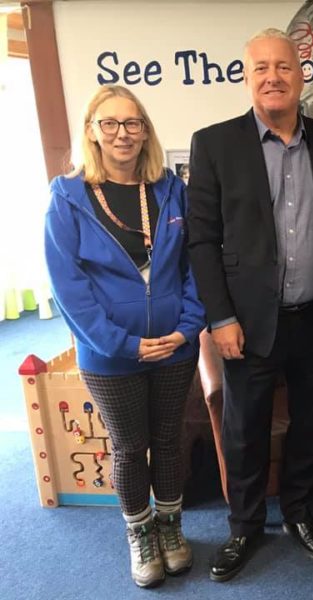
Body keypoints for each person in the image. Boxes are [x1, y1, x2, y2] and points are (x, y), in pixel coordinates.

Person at [186, 28, 313, 581]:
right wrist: (221, 318)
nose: (273, 77)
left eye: (283, 67)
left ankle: (300, 513)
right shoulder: (214, 144)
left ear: (301, 74)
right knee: (245, 429)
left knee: (310, 422)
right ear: (247, 77)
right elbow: (202, 240)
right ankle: (244, 527)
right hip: (246, 323)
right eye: (261, 68)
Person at [44, 85, 205, 588]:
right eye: (109, 123)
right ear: (91, 131)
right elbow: (67, 285)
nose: (122, 134)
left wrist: (186, 328)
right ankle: (140, 533)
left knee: (170, 440)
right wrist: (123, 343)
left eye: (132, 123)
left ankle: (171, 528)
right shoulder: (67, 197)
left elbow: (195, 263)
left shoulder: (169, 190)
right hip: (111, 355)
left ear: (145, 131)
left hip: (175, 349)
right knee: (130, 446)